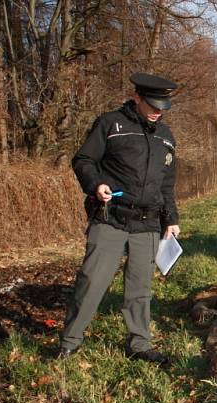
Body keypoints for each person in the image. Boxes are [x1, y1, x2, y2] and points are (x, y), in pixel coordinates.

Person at [57, 73, 180, 364]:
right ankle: (70, 343)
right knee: (92, 282)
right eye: (152, 103)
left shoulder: (166, 137)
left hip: (148, 224)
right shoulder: (110, 124)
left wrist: (170, 219)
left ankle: (139, 344)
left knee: (140, 289)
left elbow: (166, 185)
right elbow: (84, 160)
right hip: (111, 218)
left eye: (163, 105)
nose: (158, 110)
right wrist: (95, 184)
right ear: (137, 97)